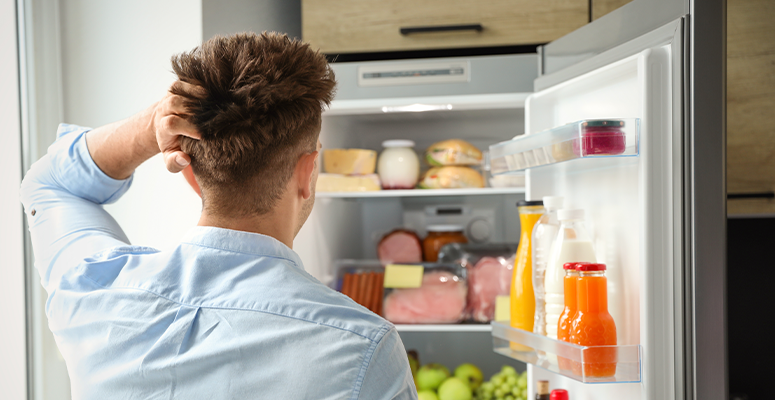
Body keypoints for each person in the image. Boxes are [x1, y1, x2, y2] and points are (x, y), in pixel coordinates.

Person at [20, 32, 417, 399]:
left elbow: (50, 182)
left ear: (189, 172)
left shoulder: (92, 286)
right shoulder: (363, 347)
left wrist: (152, 125)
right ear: (307, 172)